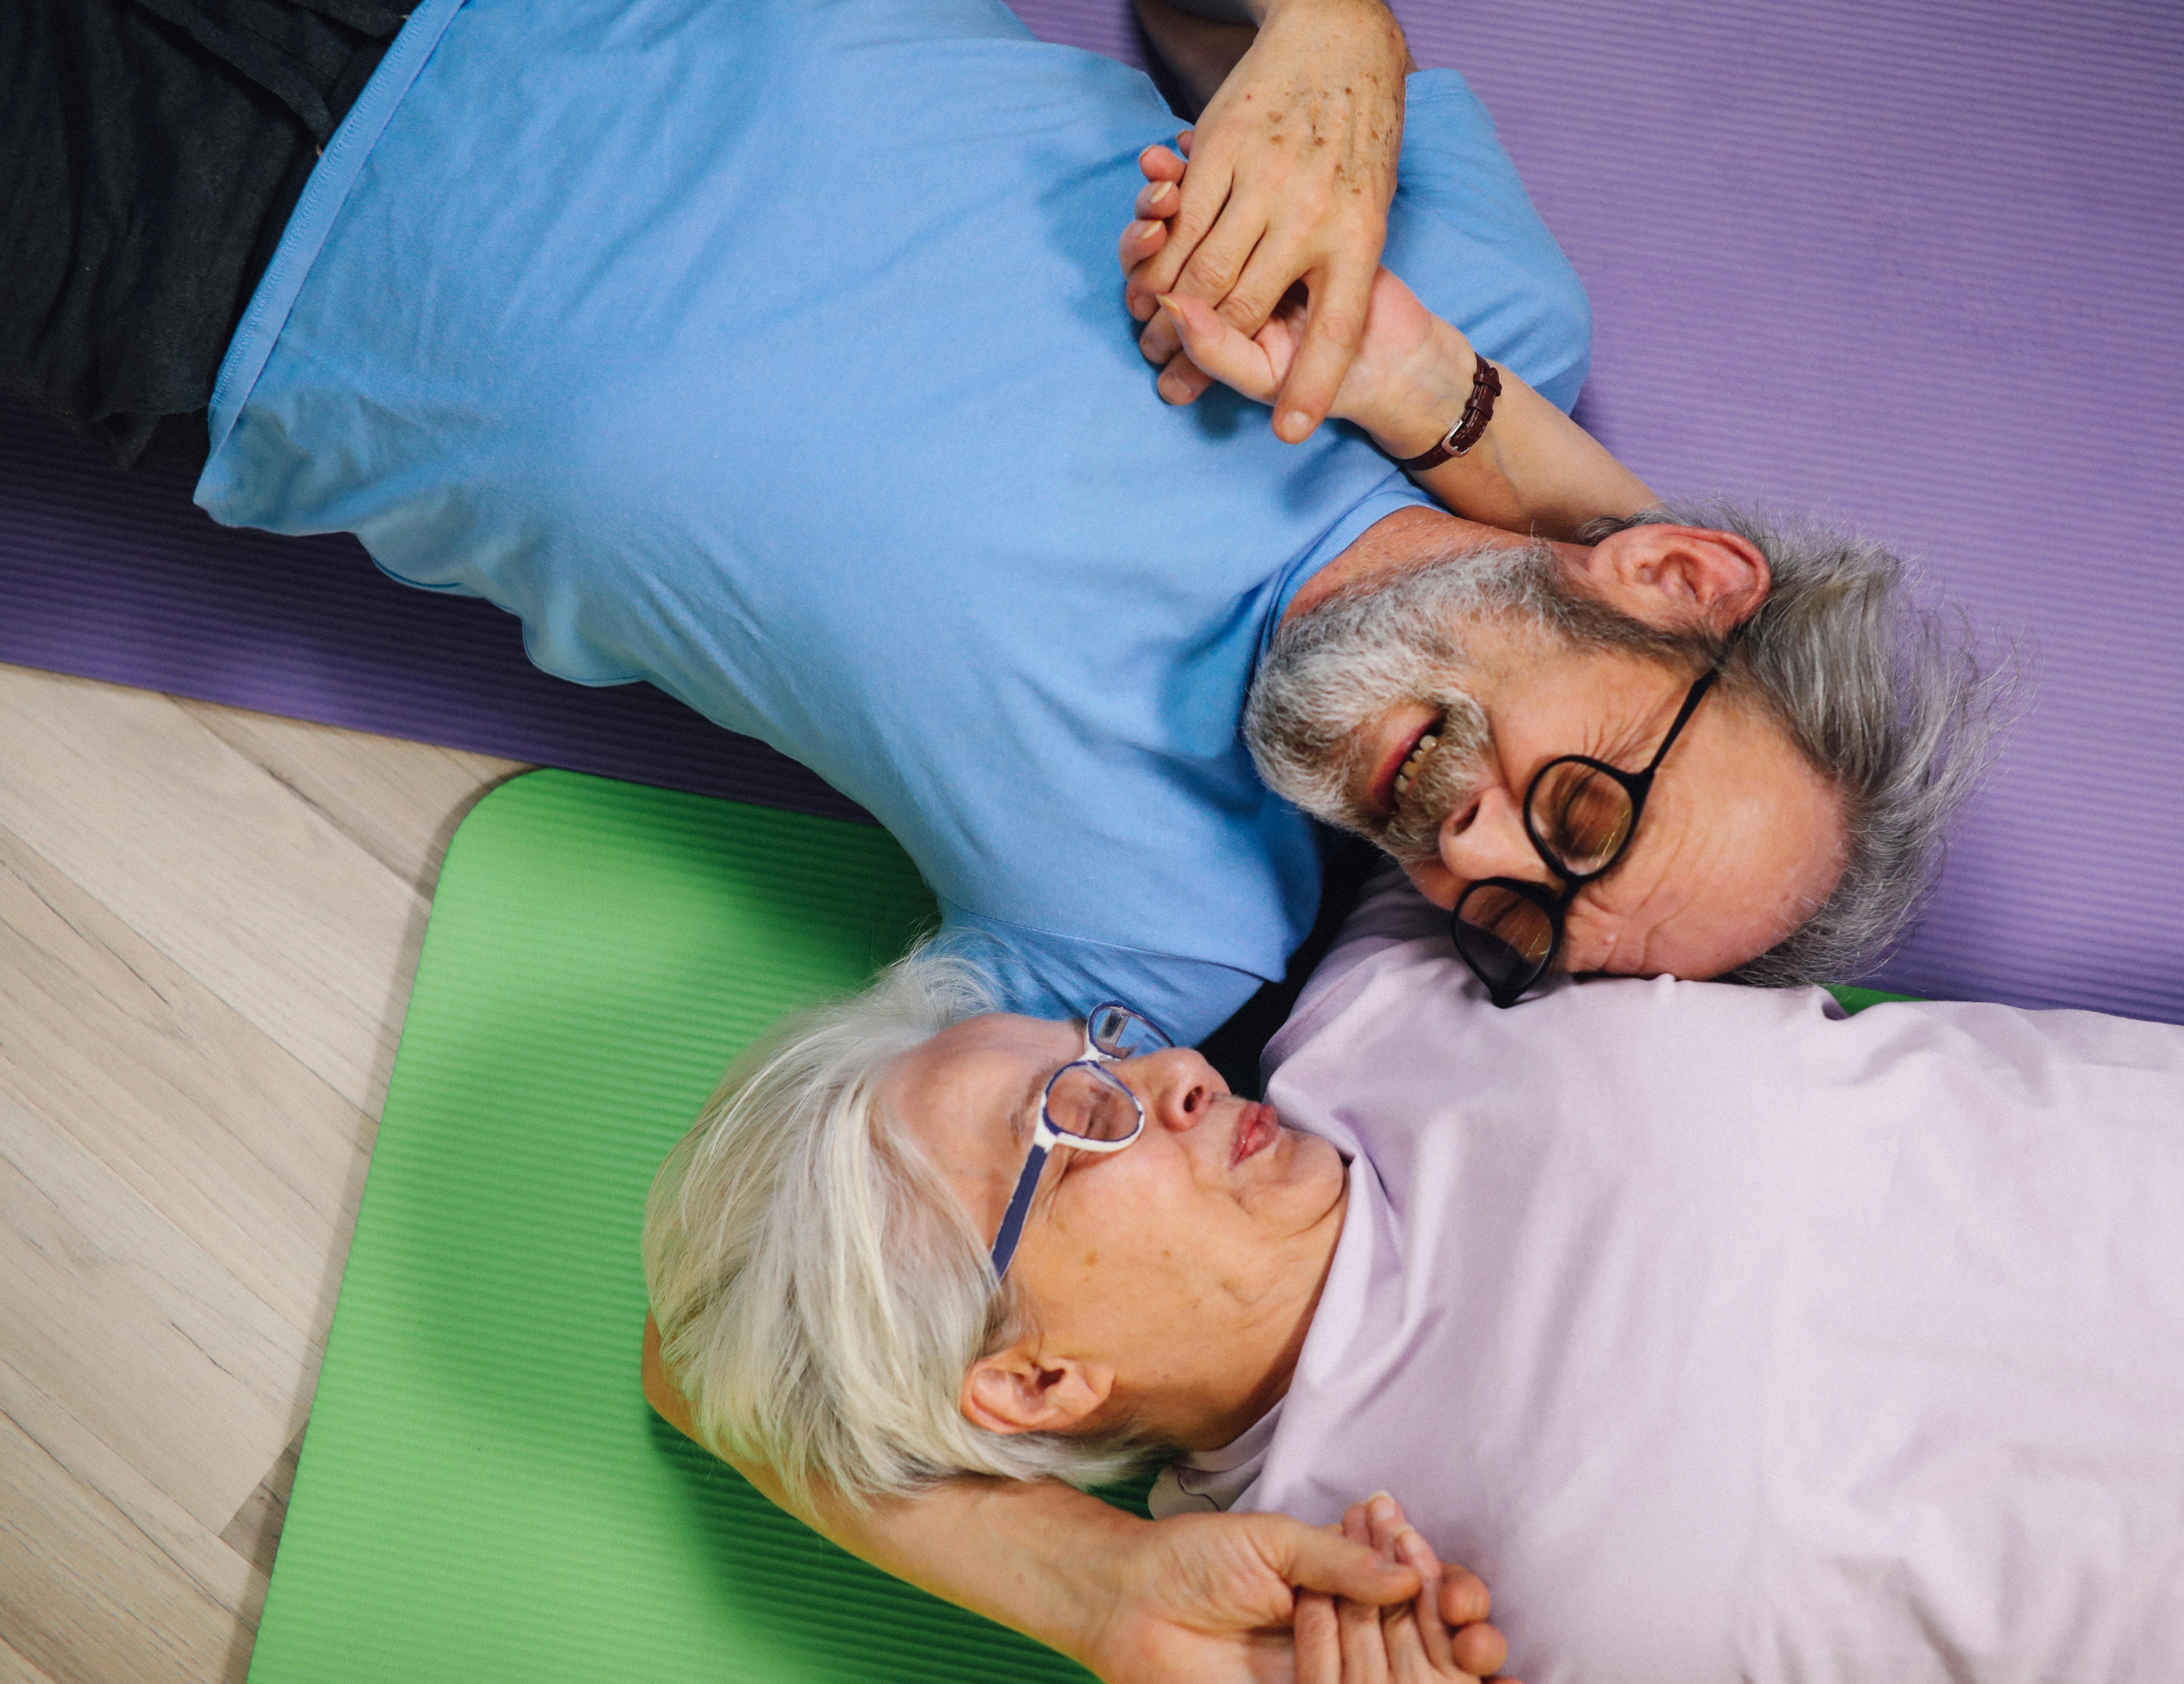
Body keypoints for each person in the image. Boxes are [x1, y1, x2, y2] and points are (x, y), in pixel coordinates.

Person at [6, 0, 2002, 1049]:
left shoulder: (1161, 929)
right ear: (1664, 581)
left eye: (1524, 934)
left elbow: (855, 1230)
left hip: (198, 266)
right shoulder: (1492, 308)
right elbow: (1224, 30)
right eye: (1581, 819)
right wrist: (1337, 32)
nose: (1471, 855)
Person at [645, 875, 2184, 1682]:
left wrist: (1076, 1581)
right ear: (1030, 1384)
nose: (1167, 1073)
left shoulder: (1381, 1003)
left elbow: (673, 1365)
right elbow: (697, 1375)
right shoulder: (1344, 1624)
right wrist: (1115, 1602)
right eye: (1076, 1116)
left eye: (1109, 1034)